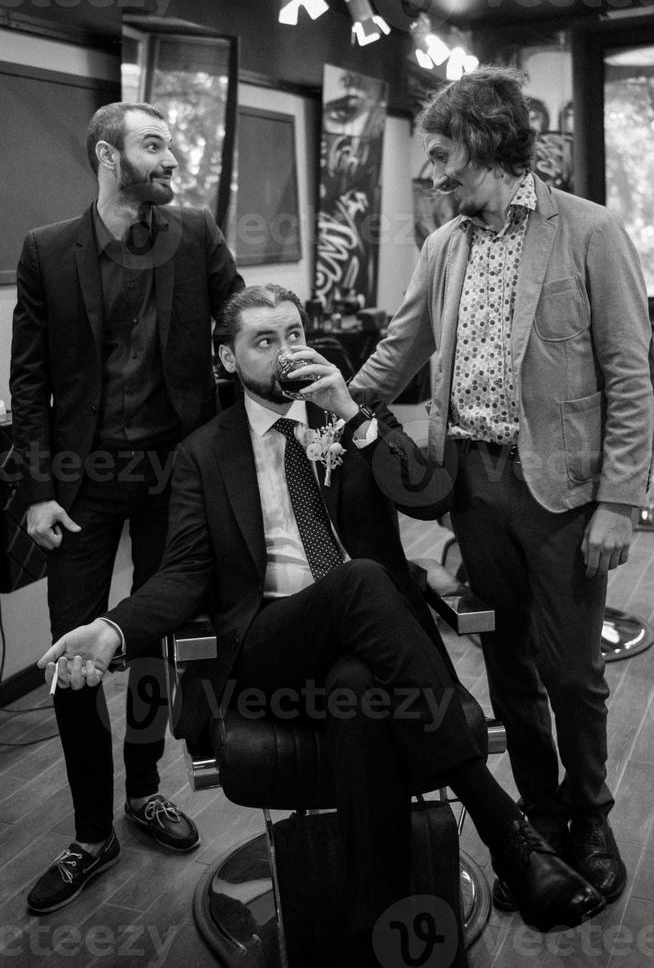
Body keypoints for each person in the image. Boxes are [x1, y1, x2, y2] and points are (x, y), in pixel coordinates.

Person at [38, 284, 605, 962]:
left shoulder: (350, 420)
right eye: (264, 340)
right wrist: (113, 629)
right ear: (226, 358)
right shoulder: (202, 454)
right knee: (359, 579)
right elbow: (184, 573)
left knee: (359, 690)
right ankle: (504, 825)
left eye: (295, 332)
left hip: (371, 643)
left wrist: (354, 415)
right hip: (271, 641)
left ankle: (383, 934)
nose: (286, 350)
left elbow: (433, 499)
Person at [350, 66, 654, 913]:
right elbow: (401, 349)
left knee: (571, 670)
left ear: (484, 142)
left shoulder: (590, 231)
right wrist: (334, 407)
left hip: (561, 490)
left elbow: (633, 376)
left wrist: (619, 500)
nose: (434, 173)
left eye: (443, 153)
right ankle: (543, 819)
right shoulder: (446, 245)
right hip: (471, 488)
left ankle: (592, 817)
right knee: (506, 663)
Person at [10, 101, 244, 913]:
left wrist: (288, 361)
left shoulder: (198, 236)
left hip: (175, 479)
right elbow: (29, 382)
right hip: (79, 488)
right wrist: (36, 490)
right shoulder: (46, 251)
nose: (170, 157)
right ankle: (89, 833)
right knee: (74, 660)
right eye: (154, 144)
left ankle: (143, 789)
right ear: (109, 157)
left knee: (155, 641)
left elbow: (242, 321)